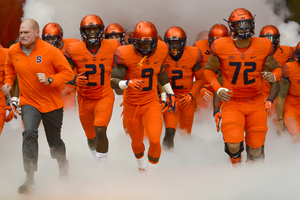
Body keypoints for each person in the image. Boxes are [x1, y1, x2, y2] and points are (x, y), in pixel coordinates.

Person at [2, 19, 74, 194]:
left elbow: (68, 73)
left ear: (36, 33)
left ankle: (63, 166)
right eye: (20, 32)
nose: (22, 36)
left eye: (26, 32)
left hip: (52, 104)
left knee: (54, 143)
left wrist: (50, 80)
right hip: (29, 102)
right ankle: (29, 179)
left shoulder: (51, 51)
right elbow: (9, 66)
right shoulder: (13, 50)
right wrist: (8, 83)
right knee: (29, 133)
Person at [204, 8, 282, 165]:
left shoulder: (263, 45)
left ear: (252, 25)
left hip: (255, 102)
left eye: (246, 24)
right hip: (232, 103)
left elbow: (277, 68)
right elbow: (208, 71)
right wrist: (218, 88)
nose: (244, 29)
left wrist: (274, 76)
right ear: (232, 28)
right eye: (239, 25)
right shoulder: (221, 46)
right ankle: (237, 171)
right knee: (233, 145)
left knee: (256, 150)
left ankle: (253, 180)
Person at [111, 21, 176, 170]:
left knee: (154, 140)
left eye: (149, 44)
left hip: (151, 102)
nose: (146, 49)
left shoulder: (160, 50)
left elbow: (160, 73)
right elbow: (113, 81)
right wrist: (127, 83)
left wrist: (169, 93)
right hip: (131, 104)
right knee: (137, 141)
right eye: (142, 44)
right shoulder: (124, 54)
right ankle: (141, 166)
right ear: (134, 42)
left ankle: (152, 175)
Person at [65, 14, 120, 163]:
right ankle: (96, 160)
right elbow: (65, 73)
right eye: (88, 30)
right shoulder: (74, 49)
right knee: (90, 137)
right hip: (84, 98)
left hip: (104, 96)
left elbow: (123, 67)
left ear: (101, 30)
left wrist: (121, 82)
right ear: (82, 32)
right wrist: (73, 79)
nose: (91, 33)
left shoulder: (113, 46)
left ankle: (102, 169)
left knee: (100, 129)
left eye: (95, 29)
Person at [161, 26, 204, 149]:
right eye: (171, 43)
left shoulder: (193, 54)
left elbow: (201, 79)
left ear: (183, 43)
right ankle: (168, 156)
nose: (174, 47)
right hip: (171, 98)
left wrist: (191, 95)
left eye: (177, 43)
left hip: (187, 98)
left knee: (185, 134)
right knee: (170, 131)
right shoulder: (162, 55)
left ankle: (185, 158)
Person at [193, 24, 229, 130]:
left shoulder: (233, 47)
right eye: (214, 41)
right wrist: (199, 87)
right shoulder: (199, 47)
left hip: (223, 87)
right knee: (202, 117)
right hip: (205, 88)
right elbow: (189, 70)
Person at [259, 25, 295, 119]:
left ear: (278, 39)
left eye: (272, 38)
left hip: (282, 91)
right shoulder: (255, 53)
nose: (270, 42)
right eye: (266, 39)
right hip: (264, 92)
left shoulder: (287, 51)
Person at [42, 22, 79, 109]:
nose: (50, 42)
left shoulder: (72, 45)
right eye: (48, 39)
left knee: (68, 119)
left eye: (53, 38)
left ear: (60, 37)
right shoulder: (39, 50)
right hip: (48, 94)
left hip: (68, 92)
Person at [277, 42, 300, 143]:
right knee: (296, 137)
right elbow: (281, 96)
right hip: (292, 107)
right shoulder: (289, 68)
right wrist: (280, 121)